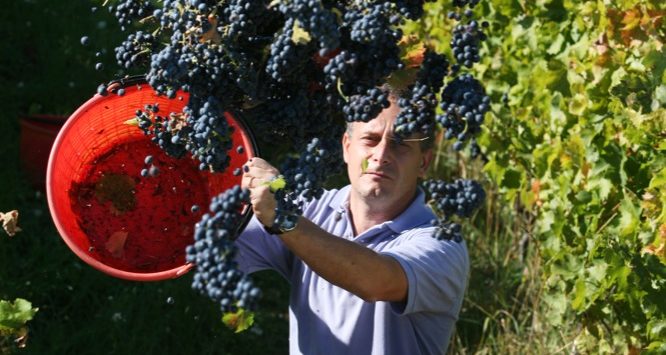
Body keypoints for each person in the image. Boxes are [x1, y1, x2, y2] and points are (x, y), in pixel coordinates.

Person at [235, 95, 470, 354]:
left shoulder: (442, 244)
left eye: (400, 144)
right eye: (370, 139)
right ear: (347, 147)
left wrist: (284, 219)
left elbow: (376, 281)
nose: (381, 155)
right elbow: (209, 242)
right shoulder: (310, 210)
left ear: (423, 162)